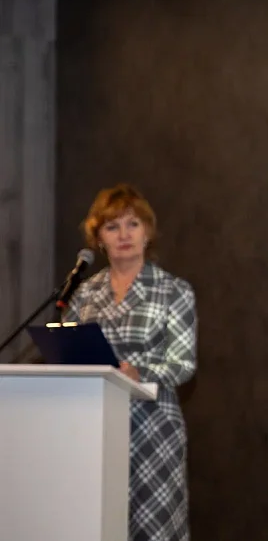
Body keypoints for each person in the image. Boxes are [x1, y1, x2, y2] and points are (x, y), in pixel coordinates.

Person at [62, 183, 197, 541]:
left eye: (132, 224)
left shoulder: (174, 290)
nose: (124, 235)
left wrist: (142, 373)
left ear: (147, 232)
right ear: (99, 238)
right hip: (94, 428)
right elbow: (67, 353)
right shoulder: (85, 293)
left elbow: (183, 363)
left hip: (153, 430)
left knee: (154, 531)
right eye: (112, 226)